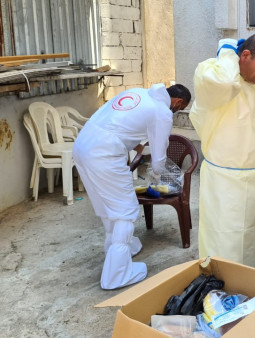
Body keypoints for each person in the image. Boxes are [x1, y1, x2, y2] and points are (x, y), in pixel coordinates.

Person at [189, 33, 255, 269]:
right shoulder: (212, 72)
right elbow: (226, 84)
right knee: (225, 243)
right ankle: (218, 285)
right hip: (224, 182)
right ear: (244, 56)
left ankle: (252, 280)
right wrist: (227, 51)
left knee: (253, 243)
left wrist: (254, 51)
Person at [73, 83, 191, 289]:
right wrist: (161, 175)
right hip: (105, 154)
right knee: (126, 211)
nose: (177, 111)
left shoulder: (137, 92)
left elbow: (119, 125)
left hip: (82, 146)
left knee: (108, 206)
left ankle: (120, 248)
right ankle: (117, 275)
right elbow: (159, 161)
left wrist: (139, 148)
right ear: (178, 102)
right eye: (181, 108)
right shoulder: (162, 112)